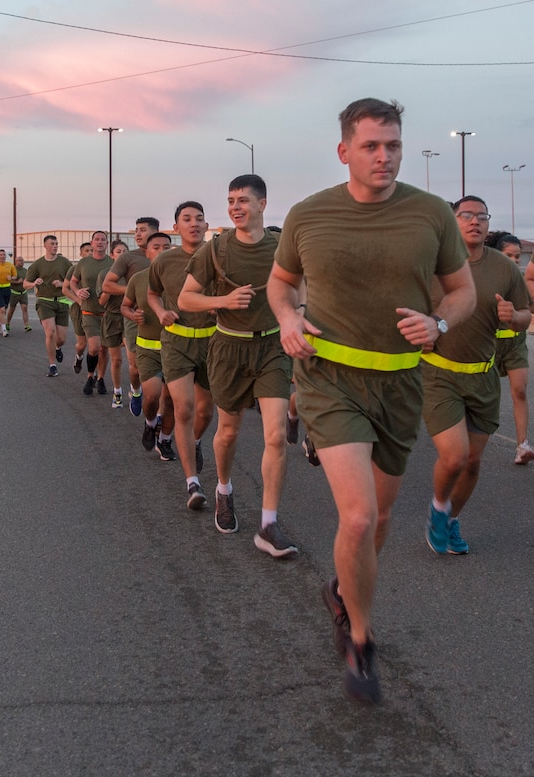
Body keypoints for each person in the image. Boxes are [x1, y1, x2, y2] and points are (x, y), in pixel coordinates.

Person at [268, 97, 475, 705]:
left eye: (394, 146)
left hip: (402, 382)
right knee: (357, 516)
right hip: (330, 379)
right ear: (344, 151)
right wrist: (287, 319)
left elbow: (460, 291)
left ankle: (343, 586)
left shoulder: (431, 214)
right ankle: (360, 638)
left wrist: (438, 324)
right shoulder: (309, 215)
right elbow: (281, 284)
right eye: (371, 146)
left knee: (379, 521)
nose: (385, 157)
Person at [179, 174, 296, 561]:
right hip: (229, 348)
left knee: (276, 435)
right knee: (227, 433)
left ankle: (268, 524)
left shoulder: (283, 247)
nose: (235, 207)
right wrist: (224, 301)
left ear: (263, 204)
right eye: (231, 201)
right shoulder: (215, 252)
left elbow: (302, 285)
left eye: (243, 200)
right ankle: (224, 490)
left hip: (272, 348)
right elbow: (186, 299)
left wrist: (300, 313)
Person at [423, 197, 531, 554]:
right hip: (439, 375)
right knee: (454, 456)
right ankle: (439, 509)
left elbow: (524, 317)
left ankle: (451, 520)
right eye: (466, 215)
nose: (475, 222)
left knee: (472, 462)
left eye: (482, 216)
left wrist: (512, 317)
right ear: (452, 222)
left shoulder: (505, 268)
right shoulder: (432, 265)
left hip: (483, 376)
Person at [148, 201, 217, 507]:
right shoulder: (164, 261)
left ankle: (196, 442)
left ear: (206, 226)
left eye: (199, 219)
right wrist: (161, 311)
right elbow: (151, 293)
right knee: (185, 408)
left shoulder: (219, 256)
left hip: (214, 342)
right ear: (176, 228)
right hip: (176, 342)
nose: (194, 223)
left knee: (205, 412)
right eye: (186, 219)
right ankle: (193, 484)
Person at [123, 232, 177, 459]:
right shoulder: (138, 279)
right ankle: (150, 422)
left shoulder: (181, 277)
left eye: (166, 246)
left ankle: (164, 441)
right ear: (147, 252)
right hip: (148, 348)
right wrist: (132, 314)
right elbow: (125, 306)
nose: (162, 251)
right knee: (152, 396)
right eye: (156, 247)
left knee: (171, 400)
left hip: (176, 347)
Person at [103, 218, 160, 411]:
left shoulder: (168, 255)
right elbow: (107, 285)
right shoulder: (128, 258)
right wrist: (133, 290)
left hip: (165, 318)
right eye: (136, 230)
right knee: (135, 367)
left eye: (142, 230)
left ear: (155, 231)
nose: (137, 234)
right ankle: (136, 391)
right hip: (136, 317)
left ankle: (159, 416)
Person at [488, 233, 534, 464]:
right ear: (496, 255)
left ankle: (522, 445)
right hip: (489, 345)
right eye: (509, 255)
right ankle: (469, 438)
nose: (515, 260)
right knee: (486, 397)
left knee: (520, 391)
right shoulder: (484, 281)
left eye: (517, 256)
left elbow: (529, 308)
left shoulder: (519, 283)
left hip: (516, 344)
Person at [70, 232, 114, 396]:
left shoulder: (113, 262)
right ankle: (90, 376)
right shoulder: (84, 262)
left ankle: (100, 378)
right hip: (88, 311)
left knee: (104, 349)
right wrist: (78, 291)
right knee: (94, 347)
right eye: (97, 239)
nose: (100, 242)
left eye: (103, 240)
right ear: (92, 243)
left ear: (107, 243)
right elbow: (73, 282)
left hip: (107, 312)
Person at [24, 235, 72, 376]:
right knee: (50, 332)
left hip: (62, 301)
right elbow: (25, 284)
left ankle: (58, 348)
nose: (55, 246)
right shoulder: (37, 264)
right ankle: (52, 365)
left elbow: (74, 281)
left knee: (61, 338)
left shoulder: (65, 262)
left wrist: (63, 284)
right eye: (52, 243)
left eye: (57, 243)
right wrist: (34, 283)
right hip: (44, 301)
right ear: (45, 245)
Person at [6, 256, 31, 332]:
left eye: (22, 260)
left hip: (23, 292)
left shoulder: (25, 271)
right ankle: (7, 323)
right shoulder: (12, 270)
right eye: (19, 260)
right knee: (12, 309)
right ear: (16, 262)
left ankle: (26, 325)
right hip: (14, 293)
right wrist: (17, 282)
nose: (21, 262)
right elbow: (8, 281)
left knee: (25, 308)